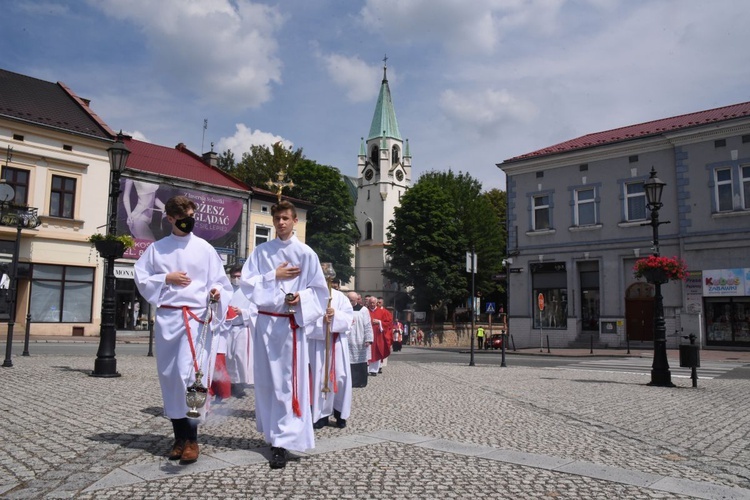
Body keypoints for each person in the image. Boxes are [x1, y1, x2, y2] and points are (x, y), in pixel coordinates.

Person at [134, 195, 232, 464]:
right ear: (170, 219)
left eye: (191, 218)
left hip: (196, 321)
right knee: (171, 379)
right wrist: (166, 277)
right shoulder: (158, 249)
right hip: (169, 320)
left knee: (190, 378)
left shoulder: (204, 249)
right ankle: (178, 437)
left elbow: (222, 283)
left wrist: (216, 291)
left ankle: (192, 440)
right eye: (183, 219)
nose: (189, 223)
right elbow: (141, 277)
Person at [240, 200, 327, 469]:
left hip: (290, 326)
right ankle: (273, 434)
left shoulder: (306, 254)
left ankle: (283, 441)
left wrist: (300, 298)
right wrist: (273, 275)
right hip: (266, 325)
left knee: (287, 384)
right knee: (267, 383)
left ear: (295, 221)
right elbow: (246, 283)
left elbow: (319, 291)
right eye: (276, 218)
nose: (280, 223)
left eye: (285, 218)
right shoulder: (261, 252)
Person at [308, 279, 354, 429]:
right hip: (319, 343)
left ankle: (340, 412)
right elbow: (305, 319)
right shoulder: (311, 296)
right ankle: (321, 414)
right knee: (320, 378)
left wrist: (336, 315)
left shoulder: (340, 297)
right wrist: (321, 320)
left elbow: (348, 318)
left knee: (340, 376)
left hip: (337, 342)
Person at [224, 265, 256, 397]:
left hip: (243, 326)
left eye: (238, 276)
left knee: (241, 357)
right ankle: (227, 385)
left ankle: (240, 386)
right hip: (227, 327)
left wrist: (242, 312)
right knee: (228, 357)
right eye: (234, 276)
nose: (236, 279)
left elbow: (255, 309)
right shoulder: (226, 290)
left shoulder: (249, 291)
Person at [346, 291, 373, 388]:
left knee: (360, 361)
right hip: (347, 339)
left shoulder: (363, 310)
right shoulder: (344, 308)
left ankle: (361, 381)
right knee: (348, 361)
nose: (350, 302)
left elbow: (368, 325)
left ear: (357, 299)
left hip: (360, 339)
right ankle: (349, 381)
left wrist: (368, 339)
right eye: (349, 300)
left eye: (352, 300)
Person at [367, 296, 392, 376]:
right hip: (367, 334)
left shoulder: (382, 312)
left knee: (377, 351)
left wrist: (380, 322)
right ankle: (367, 369)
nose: (372, 304)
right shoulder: (365, 311)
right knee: (368, 352)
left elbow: (388, 323)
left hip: (378, 335)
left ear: (376, 303)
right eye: (370, 303)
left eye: (373, 303)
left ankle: (374, 370)